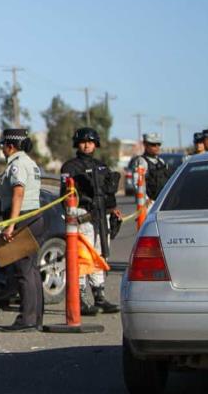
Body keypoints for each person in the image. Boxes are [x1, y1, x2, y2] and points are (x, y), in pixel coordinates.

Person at [61, 127, 121, 316]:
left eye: (90, 141)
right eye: (83, 142)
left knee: (100, 255)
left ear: (96, 144)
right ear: (77, 144)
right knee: (83, 257)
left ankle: (100, 296)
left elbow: (108, 192)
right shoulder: (70, 167)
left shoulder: (101, 165)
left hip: (101, 217)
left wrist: (112, 210)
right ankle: (80, 297)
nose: (87, 145)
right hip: (83, 215)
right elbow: (65, 195)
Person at [0, 128, 44, 332]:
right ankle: (36, 317)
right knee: (31, 269)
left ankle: (26, 319)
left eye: (3, 146)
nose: (2, 150)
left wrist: (10, 225)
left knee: (23, 271)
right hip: (34, 217)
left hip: (22, 217)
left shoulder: (17, 165)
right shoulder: (31, 163)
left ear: (10, 145)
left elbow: (18, 194)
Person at [135, 133, 172, 202]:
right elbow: (138, 184)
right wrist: (145, 199)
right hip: (149, 202)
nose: (157, 147)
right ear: (145, 145)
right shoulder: (142, 162)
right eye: (153, 145)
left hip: (163, 201)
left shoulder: (161, 161)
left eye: (158, 144)